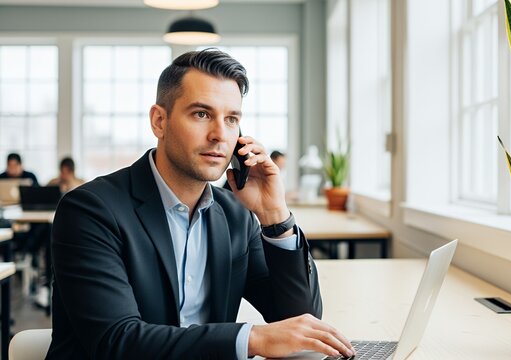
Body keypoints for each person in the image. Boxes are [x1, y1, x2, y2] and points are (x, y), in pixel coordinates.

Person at [48, 49, 354, 359]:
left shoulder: (236, 214)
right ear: (159, 121)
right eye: (201, 114)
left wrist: (274, 215)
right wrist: (251, 339)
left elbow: (301, 321)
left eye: (232, 119)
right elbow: (117, 341)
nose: (220, 135)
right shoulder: (90, 210)